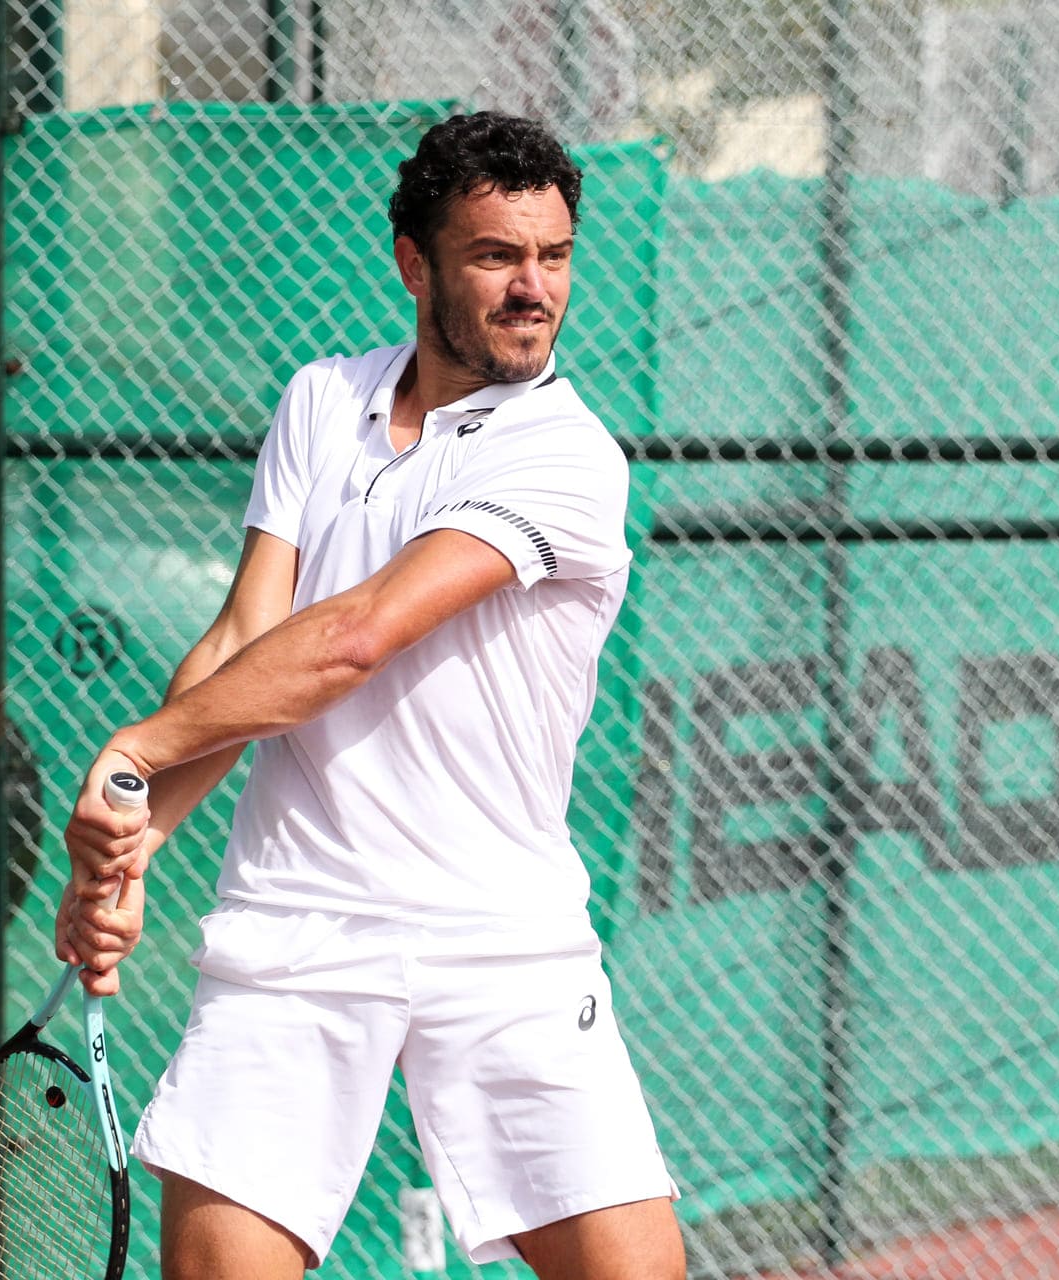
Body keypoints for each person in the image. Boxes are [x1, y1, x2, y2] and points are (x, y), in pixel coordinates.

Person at [54, 111, 684, 1280]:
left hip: (499, 937)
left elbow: (353, 638)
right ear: (415, 262)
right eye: (497, 255)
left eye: (552, 257)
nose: (532, 288)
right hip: (297, 924)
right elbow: (247, 636)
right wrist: (141, 832)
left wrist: (136, 746)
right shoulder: (320, 401)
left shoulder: (567, 453)